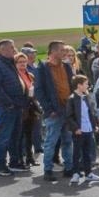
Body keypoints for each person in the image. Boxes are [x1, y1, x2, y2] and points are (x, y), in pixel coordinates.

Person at [34, 41, 76, 182]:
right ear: (53, 52)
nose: (65, 53)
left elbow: (72, 86)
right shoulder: (43, 68)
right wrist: (49, 109)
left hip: (67, 109)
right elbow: (39, 91)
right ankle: (48, 170)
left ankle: (69, 168)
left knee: (68, 140)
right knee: (50, 141)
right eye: (62, 50)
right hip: (54, 112)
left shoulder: (67, 67)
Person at [0, 39, 27, 177]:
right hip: (7, 108)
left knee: (15, 136)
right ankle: (1, 165)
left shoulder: (9, 64)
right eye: (11, 47)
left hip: (17, 106)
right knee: (4, 137)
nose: (14, 49)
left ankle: (14, 162)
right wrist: (8, 104)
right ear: (3, 50)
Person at [64, 74, 99, 185]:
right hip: (79, 130)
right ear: (79, 85)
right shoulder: (72, 99)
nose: (88, 86)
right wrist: (75, 128)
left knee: (87, 153)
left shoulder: (85, 97)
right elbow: (69, 116)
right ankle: (76, 173)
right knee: (77, 153)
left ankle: (88, 173)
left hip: (87, 129)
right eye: (86, 84)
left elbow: (89, 113)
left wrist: (94, 125)